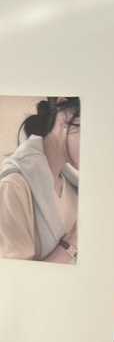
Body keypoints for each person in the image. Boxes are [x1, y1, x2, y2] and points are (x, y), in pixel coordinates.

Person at [0, 96, 80, 263]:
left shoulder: (74, 189)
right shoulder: (14, 185)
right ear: (65, 113)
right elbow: (14, 276)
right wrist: (71, 244)